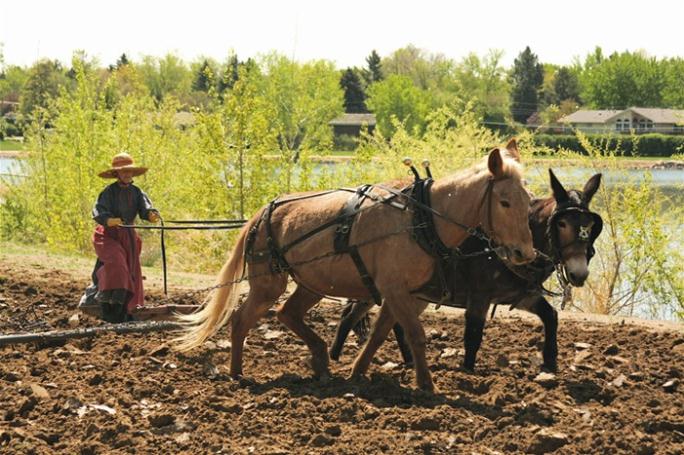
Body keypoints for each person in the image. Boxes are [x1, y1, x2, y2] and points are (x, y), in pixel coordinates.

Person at [86, 152, 161, 323]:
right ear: (117, 174)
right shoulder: (108, 192)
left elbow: (145, 209)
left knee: (130, 271)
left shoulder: (137, 192)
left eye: (129, 171)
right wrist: (109, 220)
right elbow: (98, 211)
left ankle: (124, 310)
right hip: (108, 235)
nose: (127, 174)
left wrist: (150, 215)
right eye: (123, 171)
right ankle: (107, 306)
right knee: (117, 264)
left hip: (128, 236)